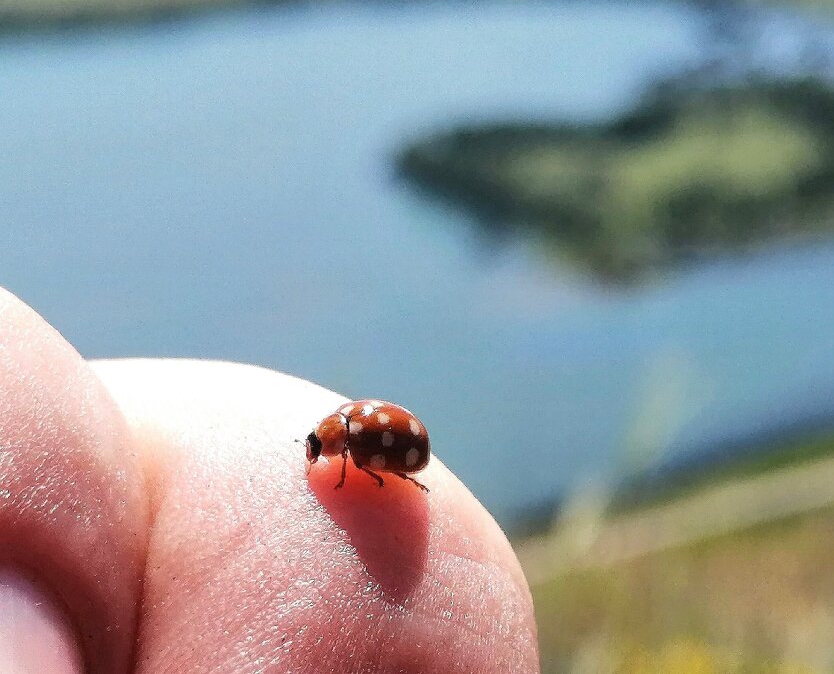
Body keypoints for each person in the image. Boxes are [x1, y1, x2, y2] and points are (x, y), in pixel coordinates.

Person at [0, 288, 539, 673]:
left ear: (331, 443)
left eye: (322, 449)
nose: (321, 457)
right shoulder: (347, 430)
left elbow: (374, 457)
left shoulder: (349, 440)